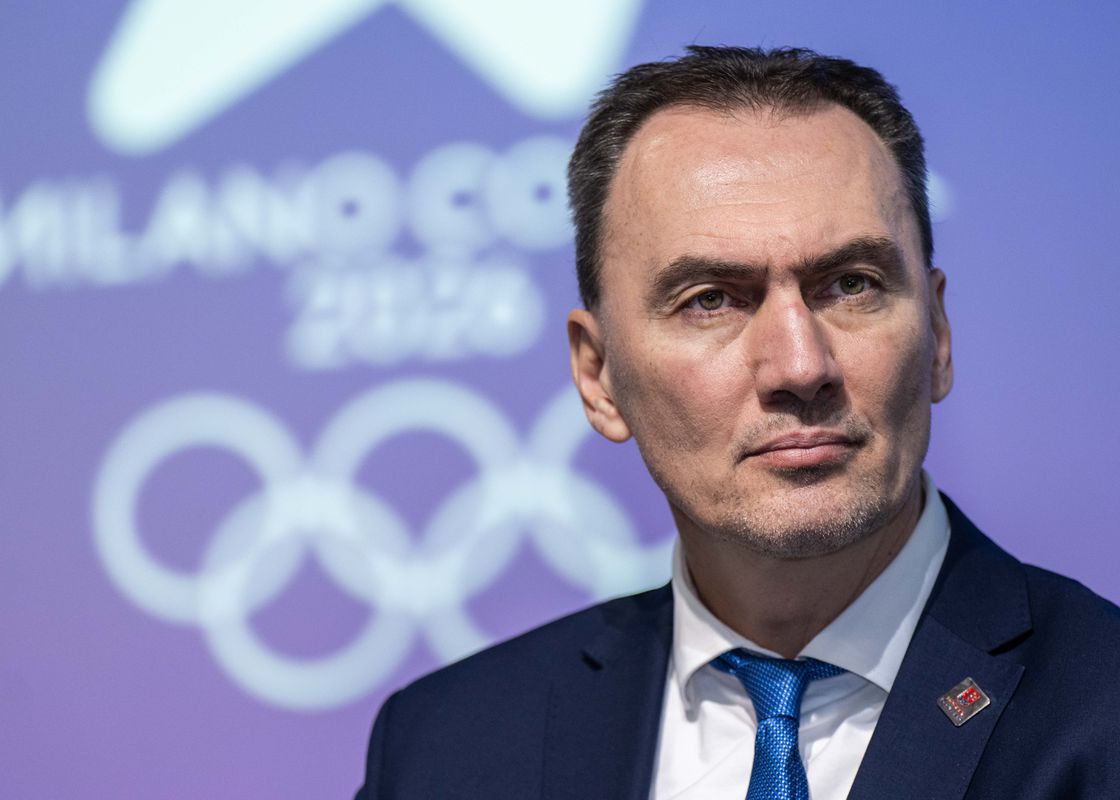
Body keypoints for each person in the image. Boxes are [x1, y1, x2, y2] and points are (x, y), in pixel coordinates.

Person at [354, 46, 1120, 799]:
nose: (800, 366)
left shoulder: (1102, 710)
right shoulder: (443, 752)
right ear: (599, 375)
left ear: (939, 335)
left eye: (851, 285)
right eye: (711, 300)